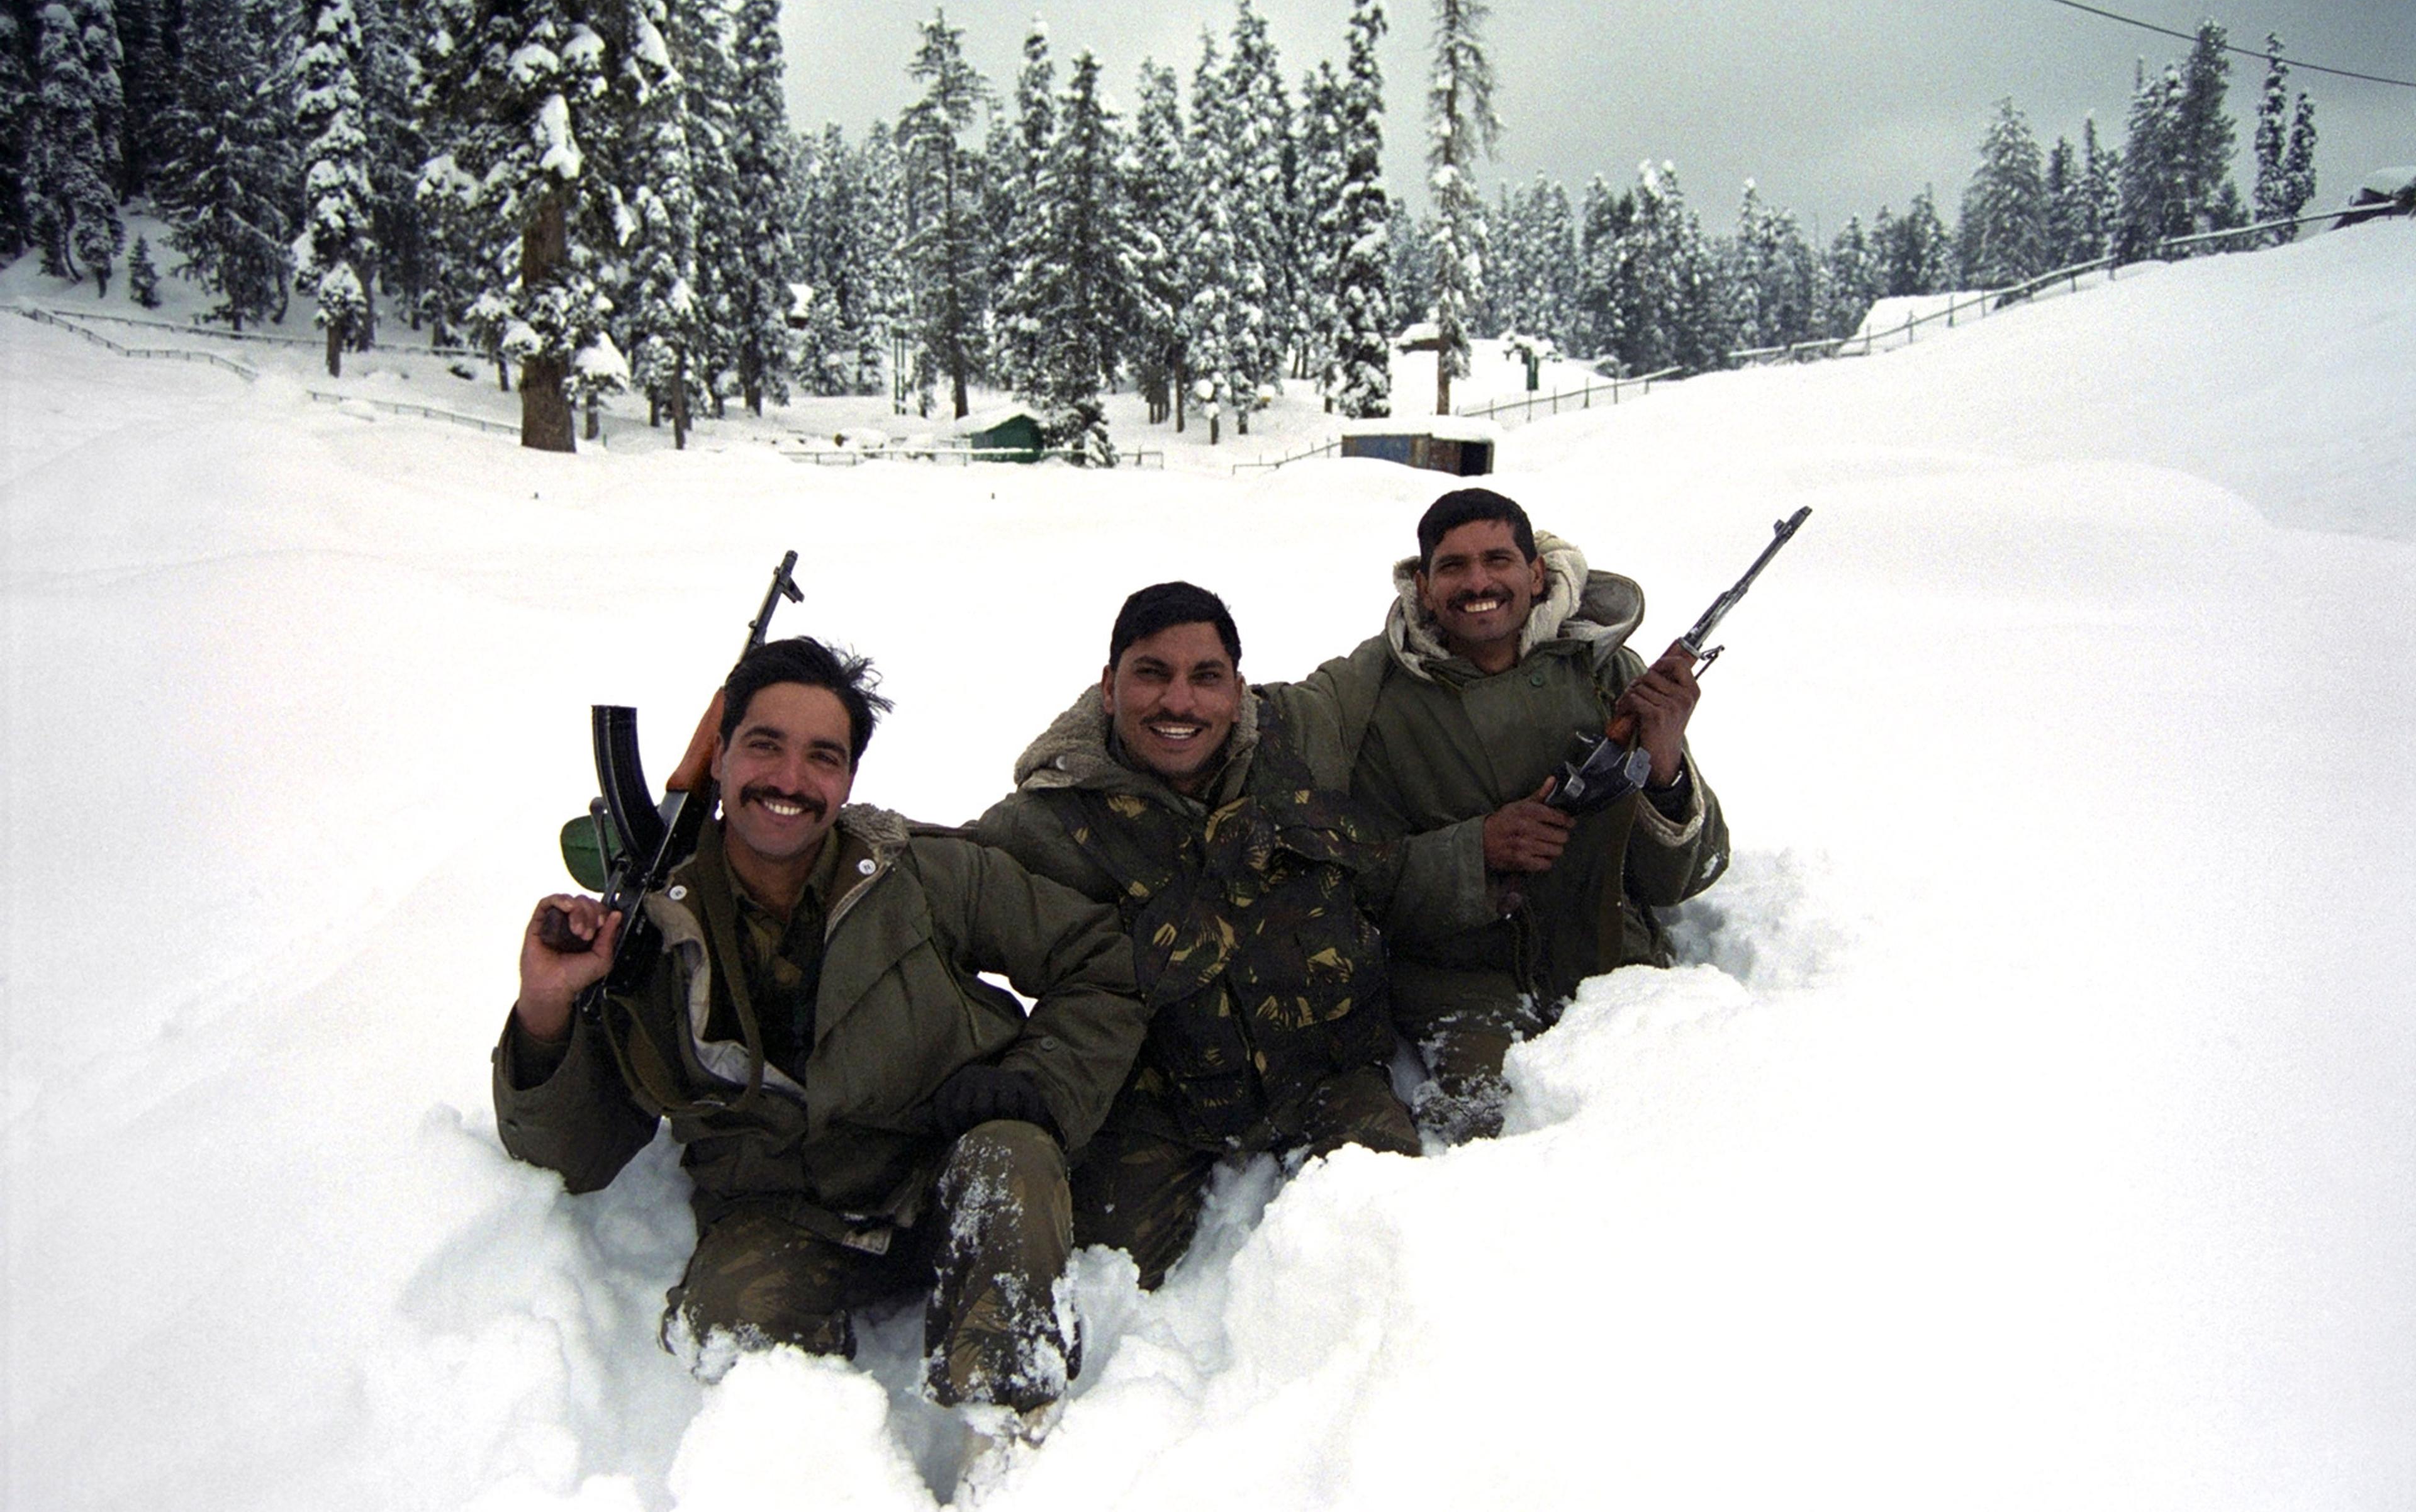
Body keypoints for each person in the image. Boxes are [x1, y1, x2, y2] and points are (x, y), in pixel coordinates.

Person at [493, 636, 1147, 1429]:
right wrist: (547, 1004)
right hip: (784, 1222)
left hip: (945, 1178)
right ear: (723, 760)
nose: (790, 780)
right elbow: (570, 1158)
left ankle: (1008, 1442)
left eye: (823, 756)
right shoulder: (651, 935)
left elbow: (1100, 962)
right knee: (728, 1318)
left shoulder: (919, 874)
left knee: (1011, 1156)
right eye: (764, 745)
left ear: (847, 779)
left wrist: (1039, 1083)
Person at [973, 583, 1441, 1291]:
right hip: (1163, 1109)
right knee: (1107, 1276)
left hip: (1332, 1075)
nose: (1180, 703)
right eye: (1151, 674)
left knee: (1388, 1238)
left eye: (1206, 677)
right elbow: (940, 888)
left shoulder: (1303, 734)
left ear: (1239, 689)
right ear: (1109, 687)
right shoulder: (1045, 822)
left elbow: (1397, 650)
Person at [1295, 488, 1731, 1142]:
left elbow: (1684, 879)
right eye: (1454, 566)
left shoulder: (1609, 673)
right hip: (1462, 987)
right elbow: (1364, 889)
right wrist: (1476, 851)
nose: (1478, 583)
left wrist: (1665, 764)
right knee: (1485, 1144)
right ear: (1424, 583)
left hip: (1614, 962)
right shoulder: (1380, 709)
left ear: (1535, 572)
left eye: (1498, 560)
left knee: (1681, 1122)